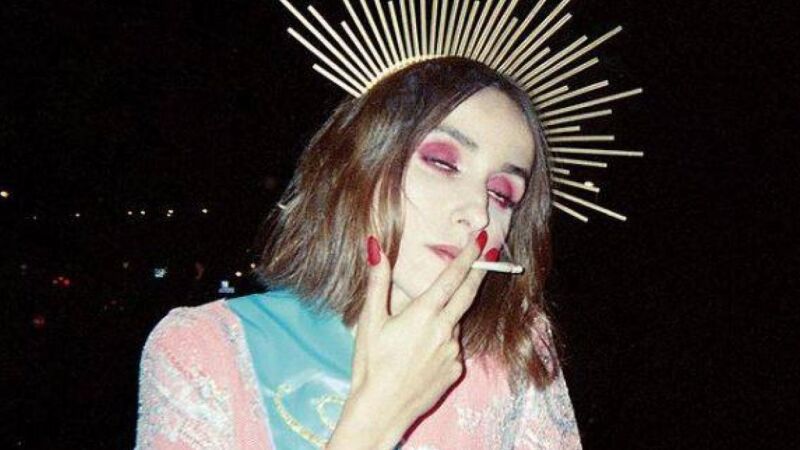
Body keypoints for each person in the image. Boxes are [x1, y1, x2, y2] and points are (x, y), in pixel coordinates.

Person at [135, 59, 582, 449]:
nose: (477, 214)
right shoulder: (204, 348)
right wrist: (377, 418)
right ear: (360, 165)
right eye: (443, 163)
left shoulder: (516, 351)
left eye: (502, 194)